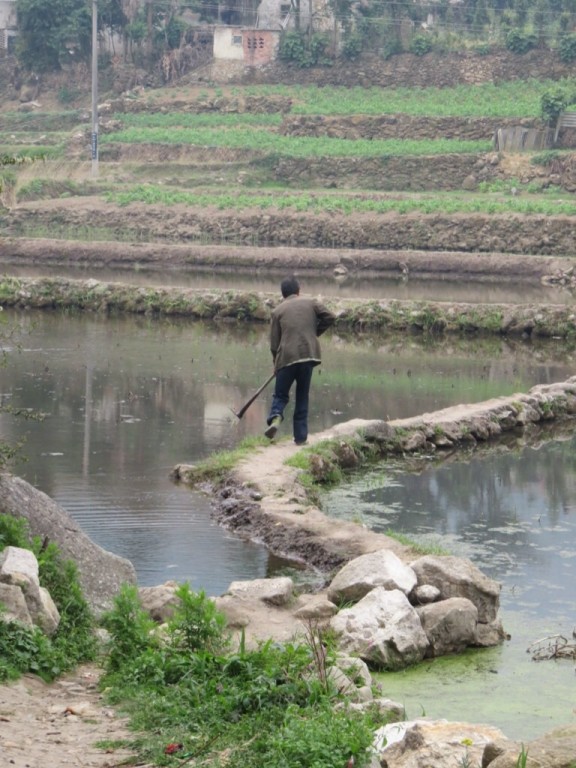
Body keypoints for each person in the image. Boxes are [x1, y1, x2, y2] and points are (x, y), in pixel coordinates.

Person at [265, 275, 335, 445]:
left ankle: (275, 418)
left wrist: (276, 362)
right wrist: (314, 333)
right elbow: (330, 317)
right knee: (302, 396)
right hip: (308, 355)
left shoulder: (277, 311)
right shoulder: (311, 303)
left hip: (287, 358)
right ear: (298, 291)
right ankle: (301, 438)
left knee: (281, 395)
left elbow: (274, 344)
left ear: (283, 294)